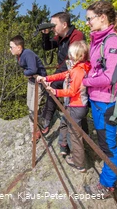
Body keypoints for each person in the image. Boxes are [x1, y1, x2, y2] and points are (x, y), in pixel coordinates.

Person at [82, 0, 117, 198]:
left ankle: (107, 186)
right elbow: (98, 67)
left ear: (102, 17)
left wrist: (85, 81)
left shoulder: (113, 42)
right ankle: (107, 180)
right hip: (98, 99)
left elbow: (111, 77)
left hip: (106, 101)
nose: (87, 23)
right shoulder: (99, 40)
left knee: (108, 145)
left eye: (89, 19)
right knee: (103, 140)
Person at [37, 41, 90, 173]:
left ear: (79, 55)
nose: (69, 57)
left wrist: (56, 92)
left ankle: (79, 164)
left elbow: (72, 91)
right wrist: (47, 78)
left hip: (77, 106)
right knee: (65, 124)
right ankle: (64, 146)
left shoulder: (79, 71)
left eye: (71, 54)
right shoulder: (76, 68)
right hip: (73, 105)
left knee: (75, 135)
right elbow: (63, 75)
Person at [40, 12, 86, 136]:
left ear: (64, 24)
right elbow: (47, 47)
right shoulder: (60, 36)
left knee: (53, 85)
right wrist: (45, 35)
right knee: (51, 84)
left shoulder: (77, 36)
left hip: (75, 74)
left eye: (54, 24)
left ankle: (46, 120)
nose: (52, 27)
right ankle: (47, 117)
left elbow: (73, 60)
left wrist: (54, 76)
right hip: (66, 71)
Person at [10, 35, 47, 139]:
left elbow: (32, 69)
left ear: (19, 47)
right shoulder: (20, 55)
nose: (10, 49)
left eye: (11, 47)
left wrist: (25, 72)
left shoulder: (27, 54)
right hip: (32, 81)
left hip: (39, 82)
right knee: (29, 104)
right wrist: (27, 73)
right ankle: (34, 129)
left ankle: (38, 129)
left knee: (33, 107)